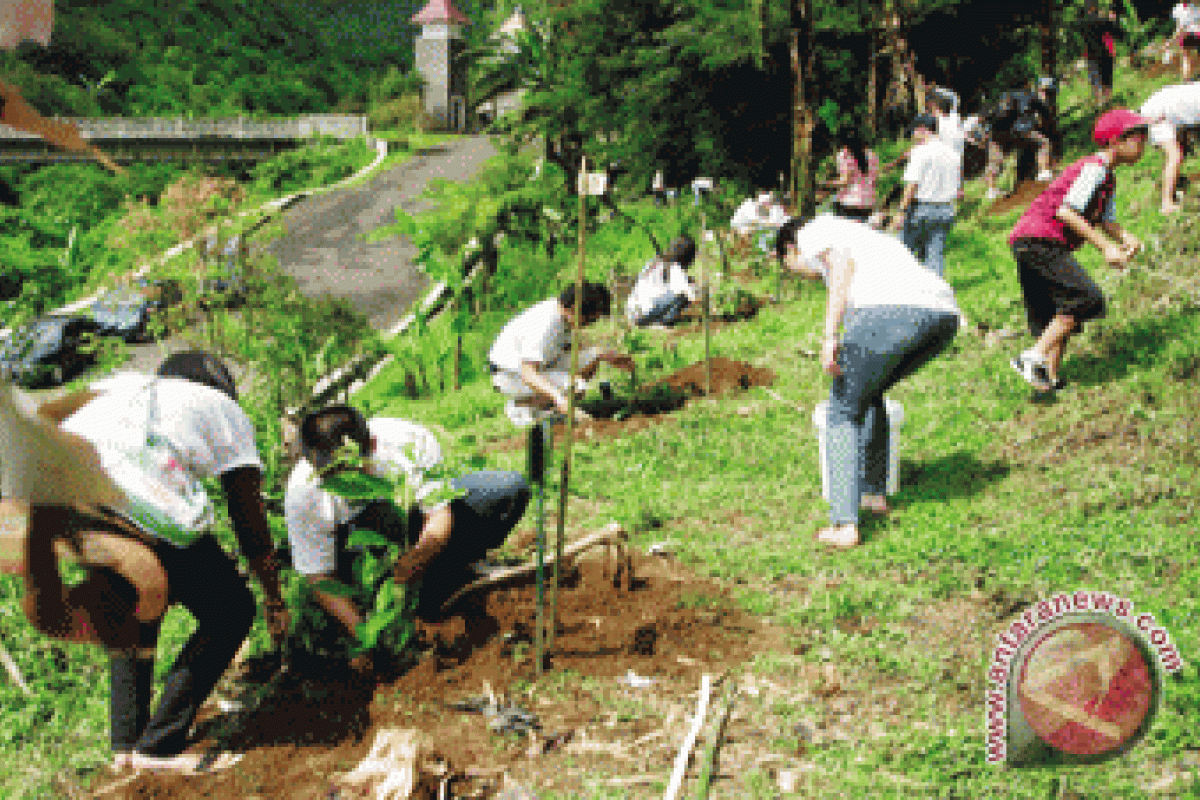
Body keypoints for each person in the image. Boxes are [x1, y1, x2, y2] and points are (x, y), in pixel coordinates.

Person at [20, 351, 288, 774]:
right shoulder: (220, 407)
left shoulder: (122, 387)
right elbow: (246, 509)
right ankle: (159, 746)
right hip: (129, 497)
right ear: (219, 389)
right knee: (231, 610)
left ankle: (126, 745)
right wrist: (273, 596)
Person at [285, 405, 530, 666]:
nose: (345, 482)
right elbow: (319, 576)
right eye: (332, 475)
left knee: (505, 489)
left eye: (352, 470)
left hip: (414, 532)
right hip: (359, 558)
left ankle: (448, 577)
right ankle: (414, 601)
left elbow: (439, 515)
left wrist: (408, 568)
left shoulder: (407, 441)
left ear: (373, 444)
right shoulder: (304, 491)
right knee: (374, 519)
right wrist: (367, 635)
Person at [776, 214, 960, 548]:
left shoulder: (813, 231)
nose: (804, 274)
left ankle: (845, 525)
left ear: (790, 251)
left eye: (791, 267)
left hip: (890, 312)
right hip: (943, 317)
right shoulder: (867, 236)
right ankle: (872, 496)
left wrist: (830, 335)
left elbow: (841, 265)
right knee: (867, 392)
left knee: (841, 412)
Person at [1007, 110, 1147, 393]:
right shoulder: (1095, 168)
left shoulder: (1107, 178)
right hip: (1040, 238)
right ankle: (1032, 357)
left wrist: (1125, 237)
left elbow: (1106, 220)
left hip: (1028, 239)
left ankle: (1048, 378)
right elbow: (1067, 212)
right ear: (1115, 141)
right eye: (1138, 136)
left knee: (1054, 313)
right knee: (1085, 298)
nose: (1144, 142)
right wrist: (1107, 247)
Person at [488, 281, 635, 426]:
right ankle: (521, 407)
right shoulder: (545, 325)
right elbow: (528, 372)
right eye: (590, 319)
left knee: (593, 356)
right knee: (576, 386)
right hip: (509, 375)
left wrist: (605, 355)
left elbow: (569, 345)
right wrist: (558, 398)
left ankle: (551, 405)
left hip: (540, 364)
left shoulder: (560, 313)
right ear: (574, 309)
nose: (590, 324)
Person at [895, 114, 962, 278]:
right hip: (946, 209)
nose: (913, 135)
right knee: (935, 255)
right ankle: (936, 294)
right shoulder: (952, 153)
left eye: (914, 131)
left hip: (921, 208)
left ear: (923, 129)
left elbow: (912, 185)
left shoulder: (920, 152)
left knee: (905, 254)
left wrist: (901, 211)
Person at [983, 78, 1058, 199]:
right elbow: (1044, 111)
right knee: (1043, 143)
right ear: (1026, 84)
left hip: (997, 133)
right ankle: (1044, 172)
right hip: (1020, 130)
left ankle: (991, 190)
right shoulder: (1029, 94)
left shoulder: (1004, 96)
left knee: (995, 160)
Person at [1139, 81, 1200, 214]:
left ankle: (1175, 185)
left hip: (1166, 109)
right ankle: (1166, 204)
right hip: (1157, 115)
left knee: (1178, 152)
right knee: (1175, 155)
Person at [625, 236, 699, 328]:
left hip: (631, 313)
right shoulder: (675, 268)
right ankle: (664, 322)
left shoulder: (655, 262)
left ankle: (656, 322)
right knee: (683, 297)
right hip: (642, 314)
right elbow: (693, 297)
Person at [826, 129, 879, 222]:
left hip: (849, 203)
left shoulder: (845, 155)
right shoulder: (872, 155)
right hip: (867, 203)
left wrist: (824, 184)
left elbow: (845, 181)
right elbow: (874, 180)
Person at [1080, 3, 1121, 106]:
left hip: (1091, 56)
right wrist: (1113, 19)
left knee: (1095, 81)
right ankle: (1107, 102)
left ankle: (1099, 103)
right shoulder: (1100, 21)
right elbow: (1114, 30)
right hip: (1103, 54)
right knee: (1106, 81)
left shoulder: (1082, 23)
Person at [1172, 2, 1200, 81]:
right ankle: (1196, 73)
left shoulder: (1177, 8)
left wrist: (1177, 35)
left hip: (1184, 33)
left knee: (1186, 56)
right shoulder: (1194, 6)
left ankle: (1186, 77)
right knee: (1197, 55)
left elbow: (1178, 24)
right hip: (1196, 33)